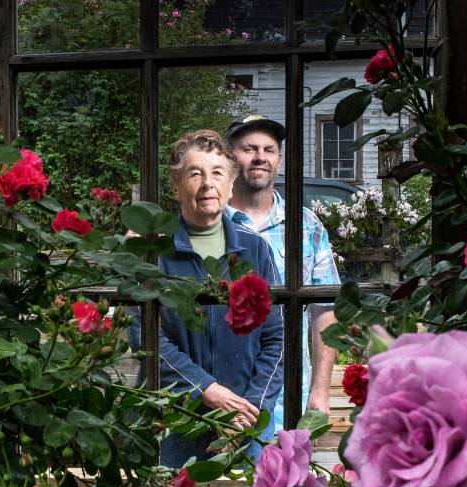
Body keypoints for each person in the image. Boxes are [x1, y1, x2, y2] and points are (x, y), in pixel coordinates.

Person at [130, 129, 284, 467]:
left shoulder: (255, 250)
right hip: (174, 423)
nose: (207, 183)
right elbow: (145, 336)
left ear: (230, 185)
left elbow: (277, 339)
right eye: (194, 173)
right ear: (175, 186)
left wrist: (249, 410)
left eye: (217, 173)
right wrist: (206, 390)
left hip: (244, 427)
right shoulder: (154, 253)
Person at [224, 114, 341, 425]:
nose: (260, 157)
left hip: (289, 398)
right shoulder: (209, 224)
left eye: (269, 149)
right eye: (250, 149)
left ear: (278, 158)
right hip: (222, 399)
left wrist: (320, 391)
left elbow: (324, 311)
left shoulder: (305, 226)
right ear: (231, 156)